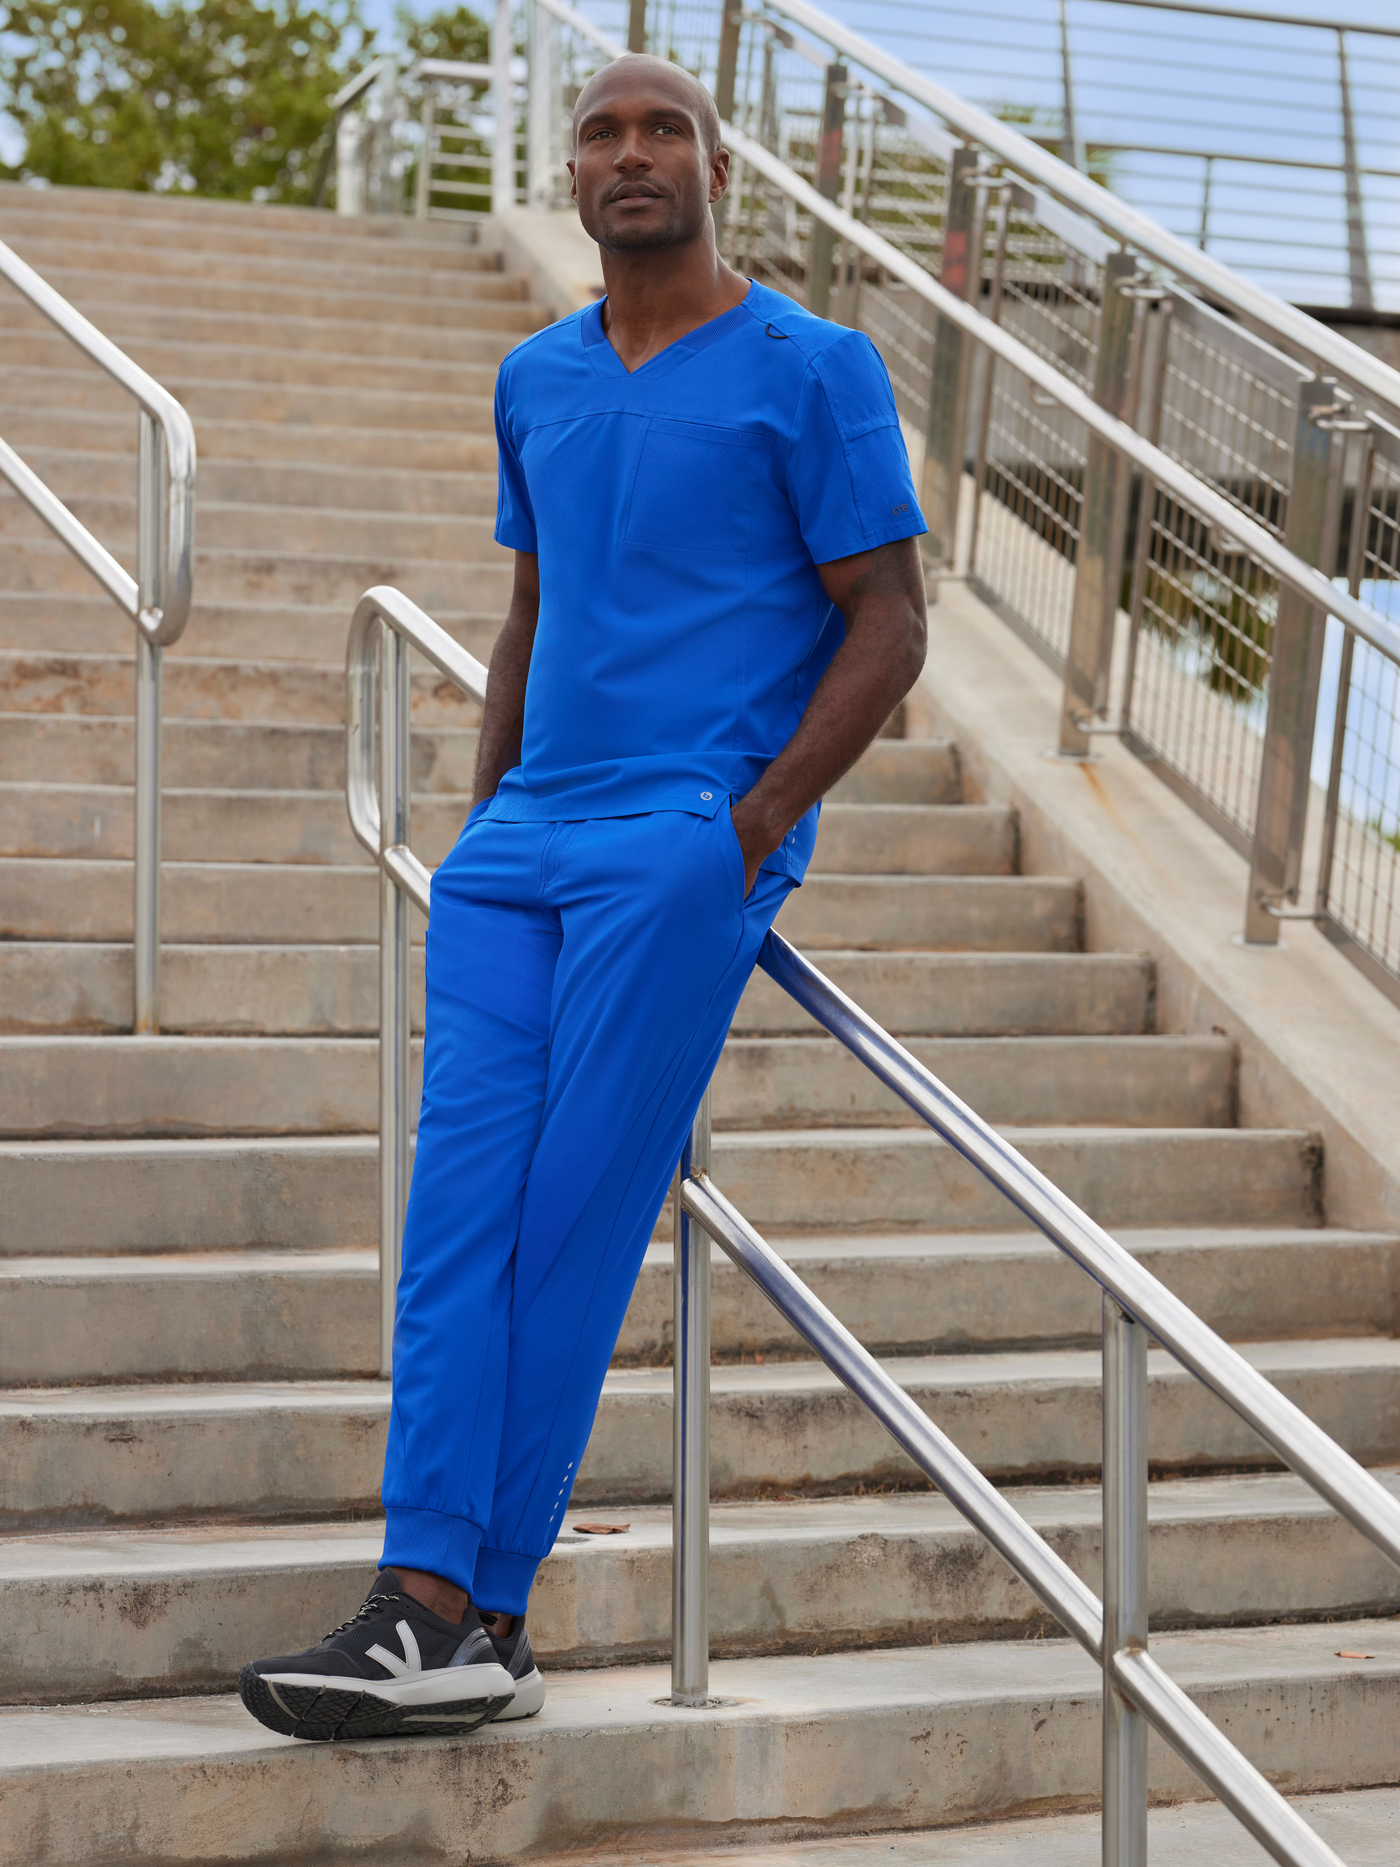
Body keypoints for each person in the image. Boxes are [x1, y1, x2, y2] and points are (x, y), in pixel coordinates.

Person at [239, 51, 927, 1743]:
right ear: (570, 174)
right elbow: (533, 611)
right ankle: (445, 1607)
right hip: (519, 851)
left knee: (569, 1222)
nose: (631, 154)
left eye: (663, 130)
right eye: (602, 133)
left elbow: (892, 621)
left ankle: (455, 1607)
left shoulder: (813, 369)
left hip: (681, 843)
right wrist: (479, 822)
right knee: (455, 1224)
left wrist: (753, 824)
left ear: (717, 168)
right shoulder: (534, 375)